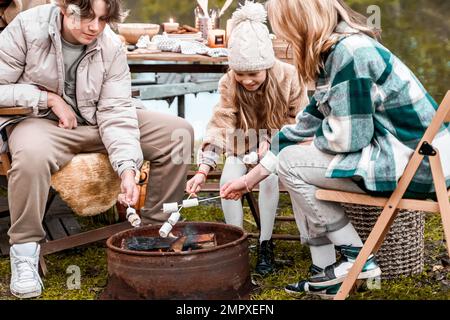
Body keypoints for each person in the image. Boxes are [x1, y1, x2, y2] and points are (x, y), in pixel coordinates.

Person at [221, 0, 450, 298]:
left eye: (283, 29)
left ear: (300, 23)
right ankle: (332, 265)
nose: (283, 38)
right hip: (406, 158)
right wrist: (250, 180)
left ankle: (355, 256)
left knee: (292, 163)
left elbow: (349, 138)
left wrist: (305, 144)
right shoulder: (336, 52)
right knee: (290, 157)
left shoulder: (350, 54)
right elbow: (310, 119)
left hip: (419, 168)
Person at [0, 0, 193, 298]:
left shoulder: (111, 45)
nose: (95, 27)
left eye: (103, 19)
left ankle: (153, 235)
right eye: (87, 17)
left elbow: (116, 110)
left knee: (178, 133)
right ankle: (25, 251)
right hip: (43, 123)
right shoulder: (26, 28)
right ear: (64, 7)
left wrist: (128, 168)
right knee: (30, 157)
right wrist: (46, 99)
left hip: (98, 123)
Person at [186, 1, 308, 276]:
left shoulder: (289, 77)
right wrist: (203, 170)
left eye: (253, 74)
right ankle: (236, 243)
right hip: (241, 145)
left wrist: (273, 141)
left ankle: (265, 244)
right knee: (230, 177)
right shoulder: (230, 82)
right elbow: (221, 123)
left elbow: (300, 120)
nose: (246, 80)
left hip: (282, 146)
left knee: (269, 177)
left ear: (266, 65)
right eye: (240, 74)